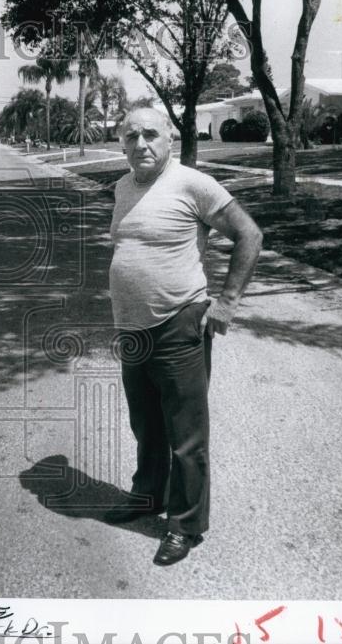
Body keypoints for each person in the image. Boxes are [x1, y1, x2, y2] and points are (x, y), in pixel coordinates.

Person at [105, 107, 263, 566]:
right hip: (132, 328)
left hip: (179, 323)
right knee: (146, 426)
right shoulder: (122, 186)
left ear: (170, 139)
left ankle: (185, 525)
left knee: (186, 436)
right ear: (122, 144)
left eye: (150, 134)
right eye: (131, 136)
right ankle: (147, 497)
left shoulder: (193, 183)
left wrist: (228, 300)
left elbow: (249, 233)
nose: (140, 144)